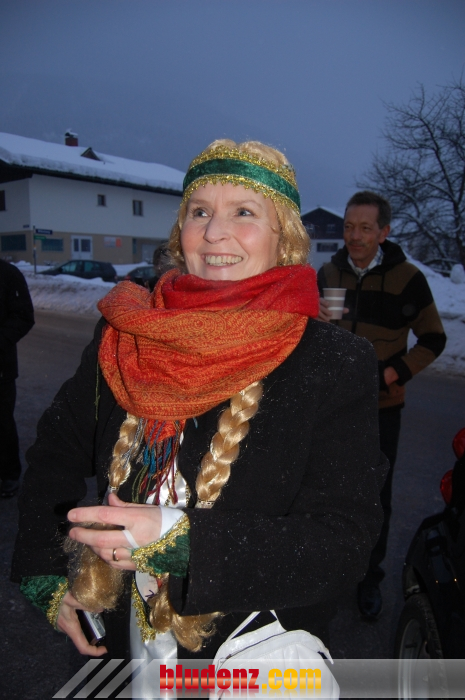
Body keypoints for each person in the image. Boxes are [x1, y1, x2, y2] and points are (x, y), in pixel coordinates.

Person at [12, 142, 386, 685]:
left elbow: (344, 542)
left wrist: (182, 541)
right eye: (200, 211)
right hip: (119, 649)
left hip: (247, 656)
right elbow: (55, 452)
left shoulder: (333, 362)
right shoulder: (124, 334)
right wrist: (47, 570)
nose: (214, 233)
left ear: (283, 237)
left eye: (244, 212)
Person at [317, 190, 446, 620]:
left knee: (374, 497)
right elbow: (312, 334)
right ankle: (329, 569)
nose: (354, 236)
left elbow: (434, 338)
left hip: (381, 409)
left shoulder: (408, 278)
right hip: (332, 407)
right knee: (327, 489)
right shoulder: (328, 273)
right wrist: (314, 322)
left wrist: (393, 373)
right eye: (348, 227)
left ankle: (369, 577)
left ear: (384, 232)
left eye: (365, 228)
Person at [0, 259, 34, 498]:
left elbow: (24, 316)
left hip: (1, 368)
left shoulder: (7, 274)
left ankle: (9, 475)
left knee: (2, 424)